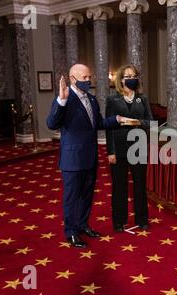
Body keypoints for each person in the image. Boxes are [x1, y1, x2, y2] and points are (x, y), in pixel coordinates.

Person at [47, 64, 136, 248]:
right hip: (72, 160)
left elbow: (98, 124)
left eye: (89, 77)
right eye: (85, 78)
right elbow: (52, 123)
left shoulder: (92, 99)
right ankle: (71, 233)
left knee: (87, 196)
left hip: (90, 157)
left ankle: (82, 225)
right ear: (73, 79)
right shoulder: (65, 98)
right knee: (72, 197)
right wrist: (61, 101)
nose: (89, 81)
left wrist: (117, 120)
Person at [106, 64, 153, 232]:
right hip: (118, 150)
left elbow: (151, 122)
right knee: (119, 186)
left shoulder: (143, 99)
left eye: (134, 76)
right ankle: (119, 221)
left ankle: (142, 219)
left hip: (138, 147)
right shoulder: (112, 100)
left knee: (140, 185)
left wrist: (139, 122)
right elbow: (109, 127)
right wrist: (110, 151)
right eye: (127, 76)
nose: (131, 79)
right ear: (121, 79)